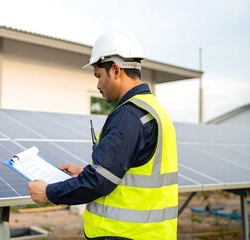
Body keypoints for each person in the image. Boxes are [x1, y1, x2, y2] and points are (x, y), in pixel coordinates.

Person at [28, 31, 178, 240]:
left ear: (115, 70)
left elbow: (99, 181)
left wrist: (48, 193)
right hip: (152, 233)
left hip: (123, 234)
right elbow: (128, 172)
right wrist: (83, 173)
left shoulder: (129, 115)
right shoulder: (154, 110)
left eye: (98, 76)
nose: (98, 85)